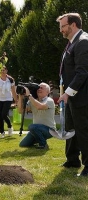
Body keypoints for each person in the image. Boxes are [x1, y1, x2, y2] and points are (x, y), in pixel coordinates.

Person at [56, 13, 88, 177]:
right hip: (70, 95)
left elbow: (82, 72)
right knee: (70, 128)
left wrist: (68, 93)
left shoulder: (83, 42)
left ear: (73, 25)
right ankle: (72, 160)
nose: (61, 30)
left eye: (63, 26)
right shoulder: (71, 43)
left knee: (83, 130)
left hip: (81, 96)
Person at [17, 83, 55, 150]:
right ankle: (38, 139)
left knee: (32, 126)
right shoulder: (33, 101)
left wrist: (29, 95)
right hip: (36, 129)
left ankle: (43, 145)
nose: (39, 89)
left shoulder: (49, 100)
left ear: (47, 92)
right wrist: (20, 96)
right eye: (38, 88)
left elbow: (39, 107)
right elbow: (20, 111)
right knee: (23, 144)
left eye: (42, 88)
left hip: (49, 130)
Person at [0, 66, 17, 138]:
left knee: (4, 114)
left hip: (8, 99)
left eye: (4, 70)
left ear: (6, 71)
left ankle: (10, 126)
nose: (2, 71)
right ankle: (2, 132)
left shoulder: (11, 80)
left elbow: (13, 91)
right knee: (0, 116)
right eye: (1, 70)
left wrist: (16, 101)